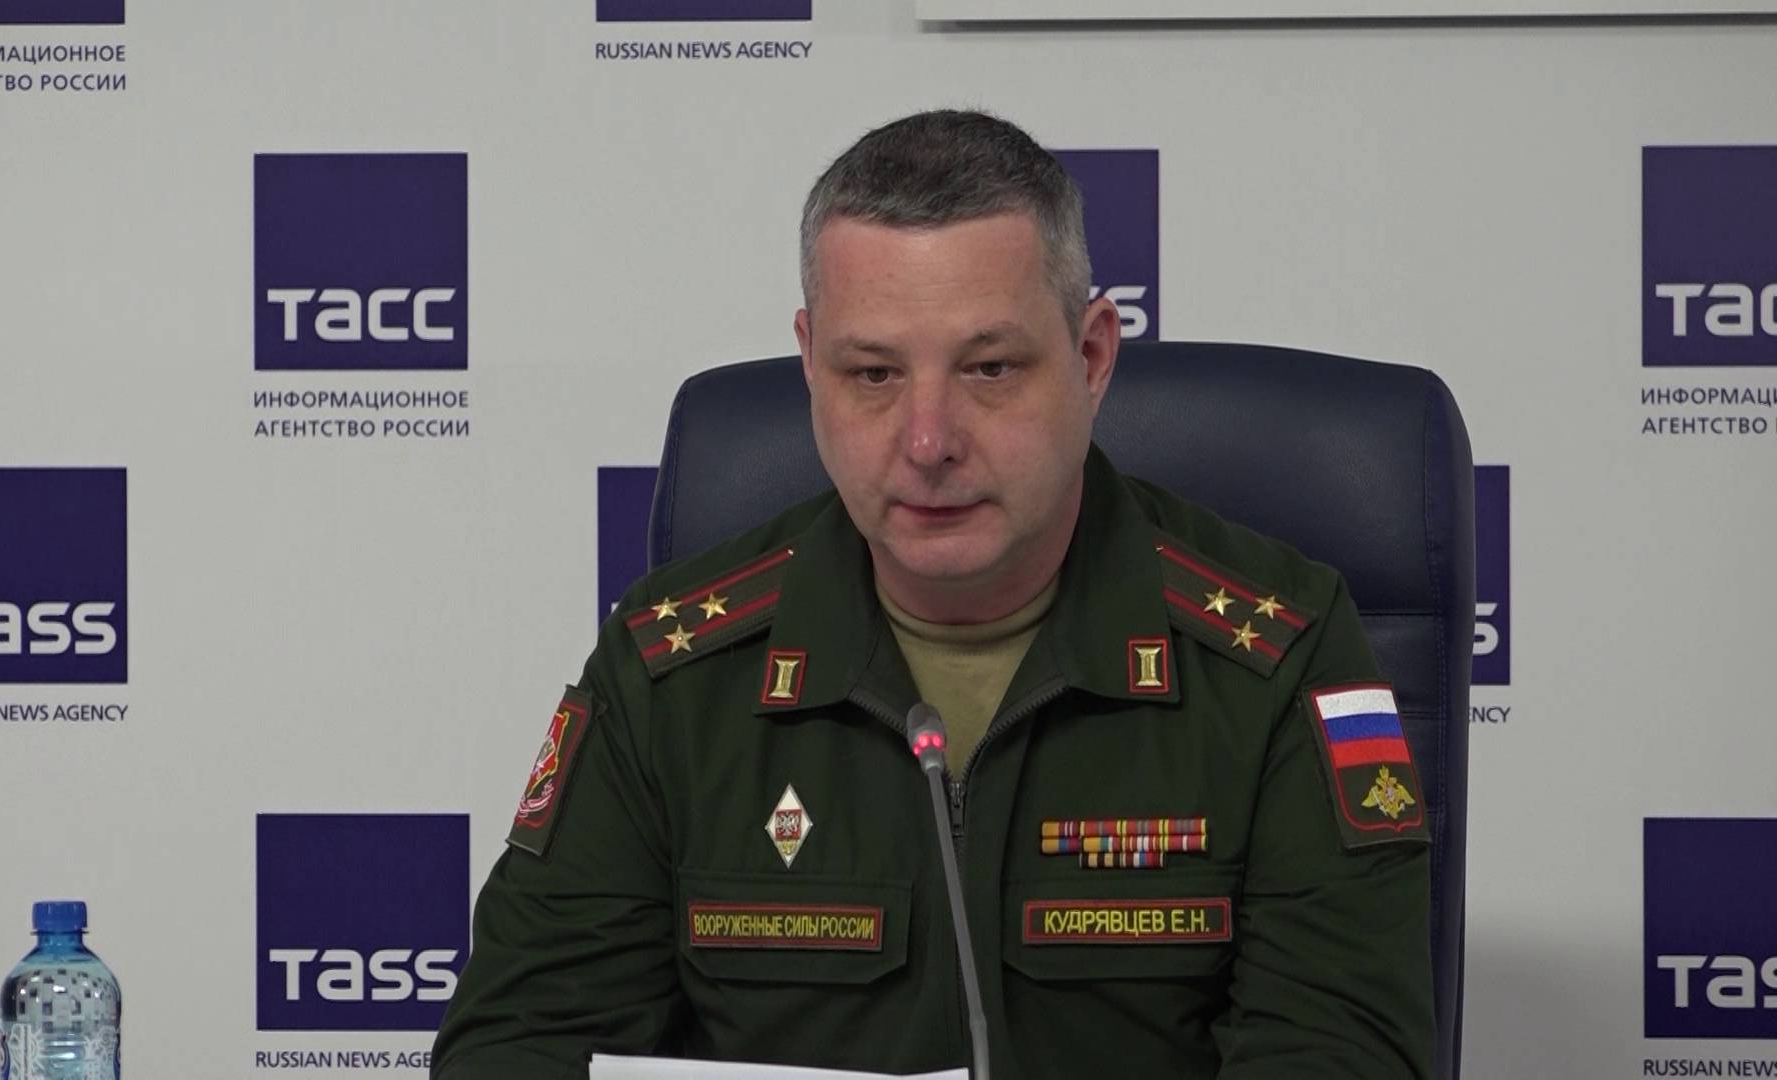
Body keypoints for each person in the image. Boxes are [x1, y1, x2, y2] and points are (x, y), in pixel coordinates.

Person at [432, 109, 1434, 1079]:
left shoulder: (1279, 657)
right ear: (810, 366)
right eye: (872, 374)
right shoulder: (670, 675)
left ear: (1091, 357)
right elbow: (517, 1046)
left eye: (989, 368)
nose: (927, 441)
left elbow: (1339, 1054)